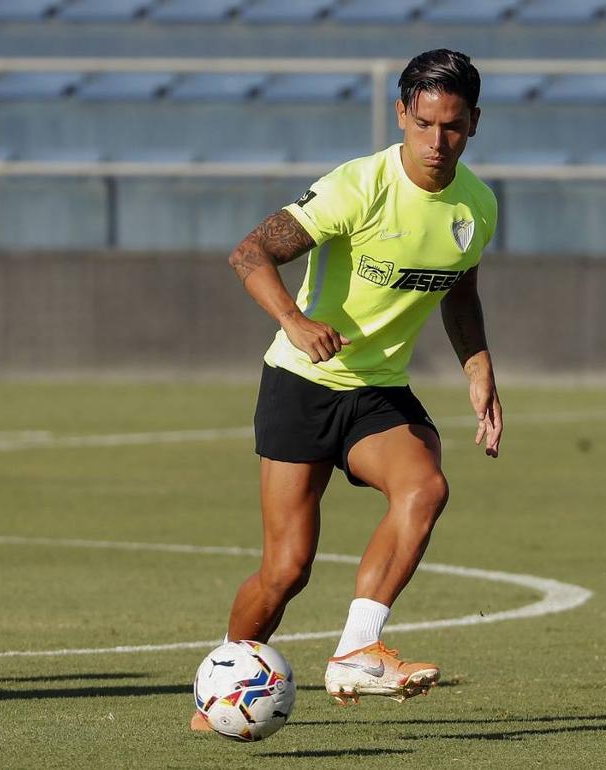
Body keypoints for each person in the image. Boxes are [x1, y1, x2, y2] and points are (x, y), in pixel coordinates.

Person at [192, 49, 501, 731]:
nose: (435, 142)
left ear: (474, 122)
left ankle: (358, 648)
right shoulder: (357, 186)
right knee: (285, 572)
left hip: (378, 392)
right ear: (401, 114)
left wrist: (477, 365)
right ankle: (219, 689)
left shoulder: (476, 205)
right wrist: (296, 322)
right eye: (423, 124)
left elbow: (461, 289)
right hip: (301, 383)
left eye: (451, 126)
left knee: (426, 488)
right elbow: (250, 253)